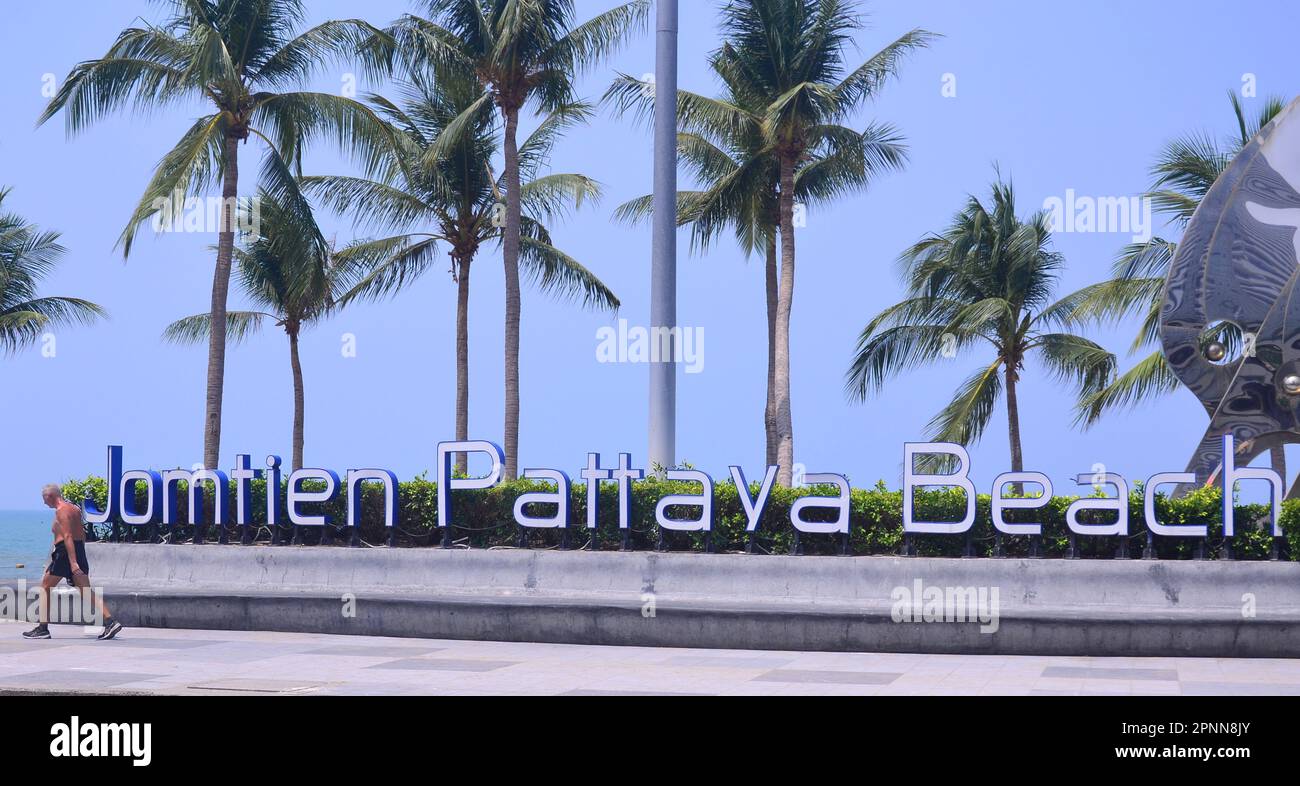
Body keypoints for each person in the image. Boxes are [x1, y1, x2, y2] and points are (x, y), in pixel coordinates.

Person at [23, 483, 123, 640]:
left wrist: (73, 562)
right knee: (85, 589)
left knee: (45, 587)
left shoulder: (61, 511)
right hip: (78, 548)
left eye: (44, 499)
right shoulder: (74, 509)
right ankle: (111, 622)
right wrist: (79, 556)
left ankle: (43, 628)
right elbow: (81, 534)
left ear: (50, 496)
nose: (44, 503)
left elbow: (68, 536)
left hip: (65, 553)